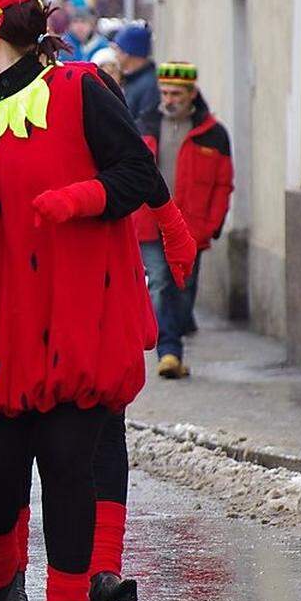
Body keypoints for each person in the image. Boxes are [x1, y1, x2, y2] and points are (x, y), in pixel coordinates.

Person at [0, 0, 190, 601]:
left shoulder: (79, 89)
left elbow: (139, 176)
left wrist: (79, 198)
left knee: (67, 472)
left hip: (73, 319)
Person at [134, 61, 232, 379]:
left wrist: (212, 226)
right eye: (164, 92)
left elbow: (222, 185)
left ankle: (177, 328)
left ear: (191, 93)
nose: (169, 98)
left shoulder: (213, 134)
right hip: (150, 222)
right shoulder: (145, 124)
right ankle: (170, 352)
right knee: (160, 283)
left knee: (184, 288)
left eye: (176, 93)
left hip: (191, 228)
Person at [112, 23, 159, 121]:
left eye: (118, 50)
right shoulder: (132, 81)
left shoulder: (150, 85)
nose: (115, 56)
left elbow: (145, 124)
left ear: (127, 53)